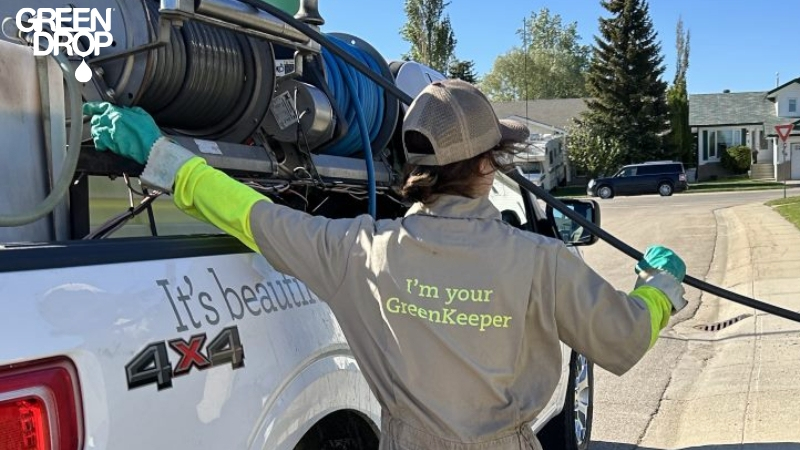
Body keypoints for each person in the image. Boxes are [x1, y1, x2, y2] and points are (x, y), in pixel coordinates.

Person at [82, 79, 687, 450]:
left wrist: (159, 155)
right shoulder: (540, 261)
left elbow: (251, 215)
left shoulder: (358, 251)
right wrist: (659, 284)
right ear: (486, 166)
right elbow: (625, 340)